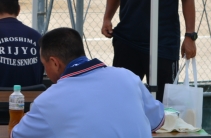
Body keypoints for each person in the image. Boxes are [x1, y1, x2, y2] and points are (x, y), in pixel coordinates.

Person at [11, 27, 165, 138]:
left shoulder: (48, 101)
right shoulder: (128, 77)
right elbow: (158, 119)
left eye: (44, 64)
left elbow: (17, 135)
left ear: (55, 63)